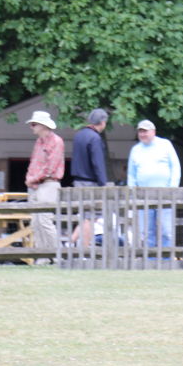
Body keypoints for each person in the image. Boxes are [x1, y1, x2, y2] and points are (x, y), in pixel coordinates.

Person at [127, 119, 181, 249]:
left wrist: (172, 188)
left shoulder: (165, 144)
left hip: (165, 194)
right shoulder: (135, 150)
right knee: (145, 232)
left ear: (153, 131)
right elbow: (131, 174)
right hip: (143, 196)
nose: (142, 134)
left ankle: (166, 259)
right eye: (140, 131)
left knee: (166, 230)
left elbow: (175, 167)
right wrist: (132, 192)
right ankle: (149, 260)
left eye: (145, 131)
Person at [25, 110, 65, 265]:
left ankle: (57, 255)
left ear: (43, 125)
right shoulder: (38, 142)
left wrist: (32, 178)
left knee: (45, 220)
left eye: (34, 124)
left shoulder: (56, 141)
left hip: (49, 184)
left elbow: (50, 167)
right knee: (35, 222)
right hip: (36, 186)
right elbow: (34, 163)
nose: (32, 127)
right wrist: (29, 178)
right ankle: (43, 256)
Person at [71, 108, 111, 248]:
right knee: (90, 217)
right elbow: (98, 163)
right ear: (102, 122)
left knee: (84, 215)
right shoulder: (95, 138)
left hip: (78, 181)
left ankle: (70, 243)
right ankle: (85, 250)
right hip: (90, 183)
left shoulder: (79, 135)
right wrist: (103, 184)